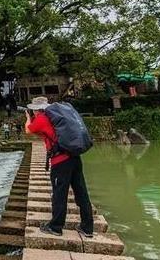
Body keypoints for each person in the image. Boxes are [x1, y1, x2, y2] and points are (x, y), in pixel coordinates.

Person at [25, 96, 94, 238]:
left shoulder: (42, 118)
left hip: (60, 161)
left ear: (36, 110)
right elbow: (45, 133)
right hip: (74, 157)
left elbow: (28, 130)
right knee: (81, 192)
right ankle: (87, 227)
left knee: (59, 194)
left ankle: (56, 227)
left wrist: (27, 118)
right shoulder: (57, 117)